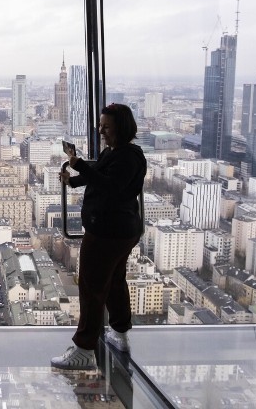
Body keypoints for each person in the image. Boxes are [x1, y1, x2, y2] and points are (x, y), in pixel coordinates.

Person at [51, 103, 147, 370]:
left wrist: (78, 163)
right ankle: (120, 333)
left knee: (92, 288)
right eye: (101, 125)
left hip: (107, 232)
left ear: (121, 127)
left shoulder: (127, 157)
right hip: (120, 230)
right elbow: (101, 173)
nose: (101, 130)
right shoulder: (120, 152)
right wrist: (72, 180)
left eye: (106, 126)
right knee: (115, 282)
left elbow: (110, 186)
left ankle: (84, 348)